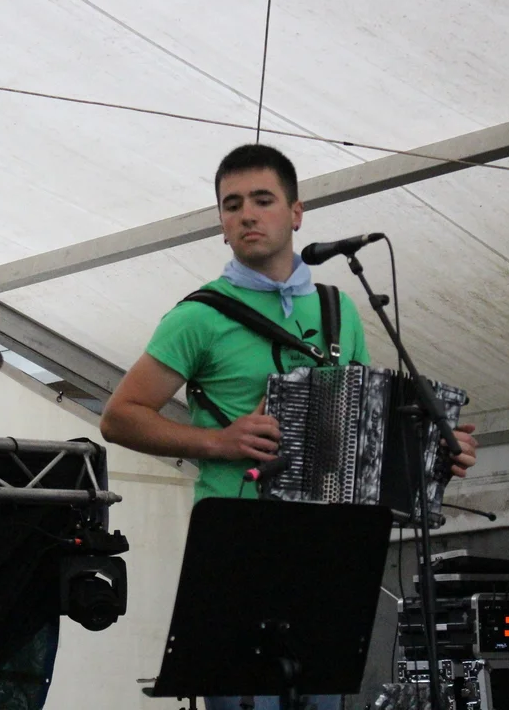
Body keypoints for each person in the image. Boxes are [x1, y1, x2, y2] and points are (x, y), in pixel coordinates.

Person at [100, 144, 478, 710]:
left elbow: (366, 426)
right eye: (231, 205)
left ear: (296, 213)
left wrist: (436, 452)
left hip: (327, 547)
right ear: (221, 225)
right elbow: (120, 416)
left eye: (262, 200)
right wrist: (217, 442)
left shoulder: (338, 310)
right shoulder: (198, 317)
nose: (246, 215)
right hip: (237, 541)